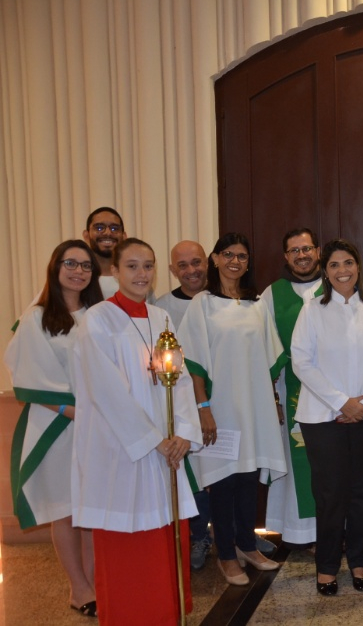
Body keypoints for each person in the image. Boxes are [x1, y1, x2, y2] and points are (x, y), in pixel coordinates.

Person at [71, 238, 201, 624]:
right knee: (127, 546)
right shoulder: (96, 321)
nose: (141, 274)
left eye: (148, 266)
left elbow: (178, 377)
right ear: (113, 271)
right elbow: (105, 391)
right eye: (132, 266)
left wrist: (183, 432)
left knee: (162, 539)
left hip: (165, 450)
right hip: (121, 454)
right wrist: (152, 439)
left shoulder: (161, 319)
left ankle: (164, 614)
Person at [290, 239, 363, 595]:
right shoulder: (312, 310)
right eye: (335, 265)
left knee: (360, 492)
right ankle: (326, 567)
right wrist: (343, 403)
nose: (343, 271)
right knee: (330, 493)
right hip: (324, 417)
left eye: (349, 263)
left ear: (358, 267)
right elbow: (302, 362)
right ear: (326, 271)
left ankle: (358, 561)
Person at [178, 233, 287, 586]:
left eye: (242, 255)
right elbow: (193, 363)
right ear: (215, 259)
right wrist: (203, 408)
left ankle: (246, 546)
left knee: (247, 481)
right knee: (222, 483)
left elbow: (269, 361)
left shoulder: (257, 306)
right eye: (228, 254)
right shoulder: (203, 304)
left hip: (253, 409)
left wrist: (272, 403)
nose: (235, 261)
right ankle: (225, 555)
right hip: (219, 409)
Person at [5, 240, 103, 617]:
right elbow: (29, 375)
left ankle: (95, 584)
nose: (78, 271)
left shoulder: (100, 315)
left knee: (90, 508)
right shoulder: (39, 317)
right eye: (70, 263)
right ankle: (78, 588)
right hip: (57, 426)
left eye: (86, 266)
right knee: (65, 509)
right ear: (55, 267)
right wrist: (76, 412)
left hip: (97, 426)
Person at [154, 240, 218, 571]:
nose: (191, 270)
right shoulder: (163, 309)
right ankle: (200, 536)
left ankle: (233, 536)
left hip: (224, 399)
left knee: (228, 473)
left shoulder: (222, 299)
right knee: (198, 476)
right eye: (183, 265)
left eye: (197, 262)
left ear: (208, 263)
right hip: (186, 406)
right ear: (171, 270)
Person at [262, 228, 324, 549]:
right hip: (291, 390)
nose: (302, 255)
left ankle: (334, 529)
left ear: (318, 251)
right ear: (286, 257)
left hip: (333, 392)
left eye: (307, 248)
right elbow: (264, 345)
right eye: (294, 251)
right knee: (299, 458)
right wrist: (272, 396)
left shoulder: (337, 285)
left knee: (333, 462)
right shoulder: (272, 294)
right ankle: (302, 532)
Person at [81, 207, 127, 297]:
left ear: (124, 236)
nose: (107, 233)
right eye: (99, 228)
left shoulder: (136, 278)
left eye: (114, 229)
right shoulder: (77, 278)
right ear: (86, 236)